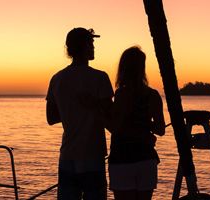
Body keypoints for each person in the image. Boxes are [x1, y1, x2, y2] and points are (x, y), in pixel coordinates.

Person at [46, 27, 113, 200]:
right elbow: (111, 118)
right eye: (90, 43)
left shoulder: (57, 79)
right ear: (83, 46)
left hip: (68, 155)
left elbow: (51, 118)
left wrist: (70, 108)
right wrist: (92, 106)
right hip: (93, 154)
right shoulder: (100, 78)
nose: (93, 47)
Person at [107, 47, 165, 200]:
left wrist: (99, 113)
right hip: (146, 158)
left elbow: (116, 128)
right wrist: (144, 125)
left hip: (122, 159)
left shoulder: (121, 94)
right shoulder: (152, 95)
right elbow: (160, 129)